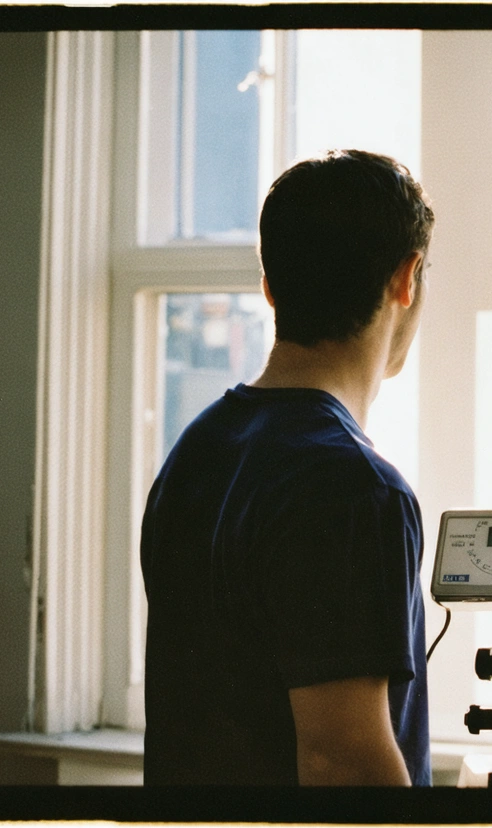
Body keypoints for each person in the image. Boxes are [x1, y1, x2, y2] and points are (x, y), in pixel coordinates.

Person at [140, 149, 435, 786]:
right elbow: (344, 764)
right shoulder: (356, 489)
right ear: (406, 279)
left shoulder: (196, 451)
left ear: (271, 287)